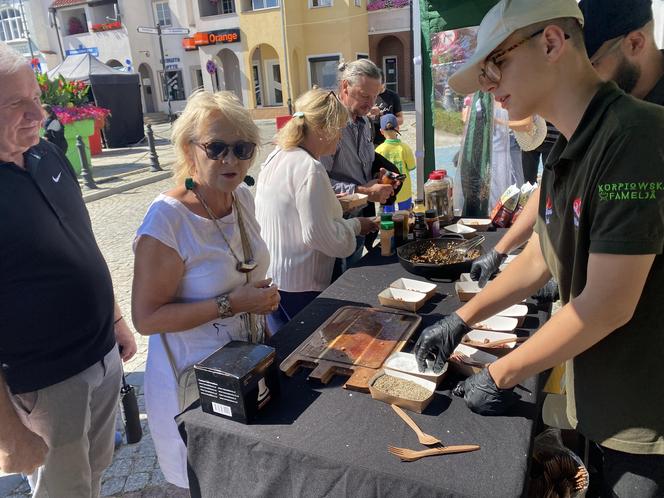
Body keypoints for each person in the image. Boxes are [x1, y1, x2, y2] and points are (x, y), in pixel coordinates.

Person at [414, 1, 664, 496]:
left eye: (495, 64)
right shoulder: (565, 147)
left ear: (551, 42)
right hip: (600, 394)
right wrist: (464, 319)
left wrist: (502, 373)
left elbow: (608, 305)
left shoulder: (636, 135)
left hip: (645, 415)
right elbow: (537, 257)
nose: (487, 83)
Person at [0, 43, 137, 497]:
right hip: (46, 381)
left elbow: (83, 244)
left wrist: (116, 319)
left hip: (101, 355)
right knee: (64, 490)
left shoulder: (48, 156)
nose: (36, 113)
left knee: (95, 470)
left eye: (36, 98)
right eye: (15, 104)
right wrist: (8, 435)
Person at [131, 90, 279, 489]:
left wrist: (258, 297)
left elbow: (242, 271)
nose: (230, 159)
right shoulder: (168, 220)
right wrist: (234, 303)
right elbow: (146, 319)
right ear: (189, 148)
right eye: (216, 147)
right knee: (211, 481)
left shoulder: (242, 197)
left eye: (242, 147)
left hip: (244, 365)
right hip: (193, 384)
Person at [469, 0, 664, 289]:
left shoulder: (640, 127)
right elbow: (555, 189)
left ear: (634, 44)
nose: (581, 76)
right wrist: (502, 250)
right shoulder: (595, 113)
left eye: (591, 63)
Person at [255, 89, 378, 330]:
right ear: (325, 129)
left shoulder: (277, 155)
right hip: (301, 286)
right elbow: (321, 237)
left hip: (275, 279)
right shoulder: (309, 167)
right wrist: (356, 226)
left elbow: (292, 211)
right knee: (301, 352)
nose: (341, 136)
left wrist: (332, 204)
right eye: (340, 129)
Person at [320, 59, 395, 271]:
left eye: (375, 97)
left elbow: (362, 165)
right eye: (364, 96)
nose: (371, 104)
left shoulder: (364, 122)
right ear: (345, 86)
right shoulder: (329, 125)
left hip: (359, 222)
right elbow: (318, 182)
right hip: (335, 227)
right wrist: (364, 191)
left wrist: (378, 174)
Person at [374, 113, 415, 212]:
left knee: (388, 217)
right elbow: (411, 166)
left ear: (381, 131)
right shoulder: (405, 148)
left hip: (387, 189)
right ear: (398, 128)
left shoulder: (379, 150)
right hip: (404, 189)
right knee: (406, 217)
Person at [370, 70, 404, 147]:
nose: (376, 89)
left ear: (383, 83)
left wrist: (383, 115)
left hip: (390, 140)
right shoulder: (369, 95)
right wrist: (368, 113)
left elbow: (401, 120)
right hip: (372, 141)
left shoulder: (393, 96)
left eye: (378, 86)